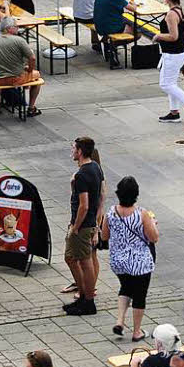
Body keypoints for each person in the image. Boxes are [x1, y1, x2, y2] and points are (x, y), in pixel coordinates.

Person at [103, 176, 157, 340]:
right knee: (140, 295)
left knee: (125, 287)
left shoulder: (111, 212)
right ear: (136, 194)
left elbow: (104, 236)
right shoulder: (142, 214)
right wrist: (153, 223)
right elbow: (153, 237)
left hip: (118, 261)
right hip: (139, 263)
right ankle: (137, 331)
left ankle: (120, 320)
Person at [58, 136, 102, 317]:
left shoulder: (83, 174)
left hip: (82, 225)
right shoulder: (95, 168)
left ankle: (88, 301)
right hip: (89, 223)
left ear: (80, 151)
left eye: (73, 148)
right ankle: (84, 297)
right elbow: (99, 197)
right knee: (72, 258)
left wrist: (75, 226)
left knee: (83, 261)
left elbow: (84, 204)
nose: (72, 151)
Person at [153, 0, 184, 123]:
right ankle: (174, 113)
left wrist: (158, 36)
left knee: (165, 84)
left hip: (173, 54)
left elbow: (174, 36)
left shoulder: (171, 15)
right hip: (180, 51)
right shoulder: (180, 10)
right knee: (171, 83)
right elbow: (183, 33)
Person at [0, 16, 42, 117]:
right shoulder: (19, 40)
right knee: (37, 77)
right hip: (16, 78)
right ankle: (31, 108)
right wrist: (30, 69)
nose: (17, 28)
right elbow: (32, 58)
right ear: (8, 28)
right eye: (16, 26)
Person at [93, 0, 138, 66]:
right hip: (110, 27)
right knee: (137, 32)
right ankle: (112, 45)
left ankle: (106, 42)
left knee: (125, 21)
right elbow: (133, 9)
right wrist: (133, 3)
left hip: (99, 25)